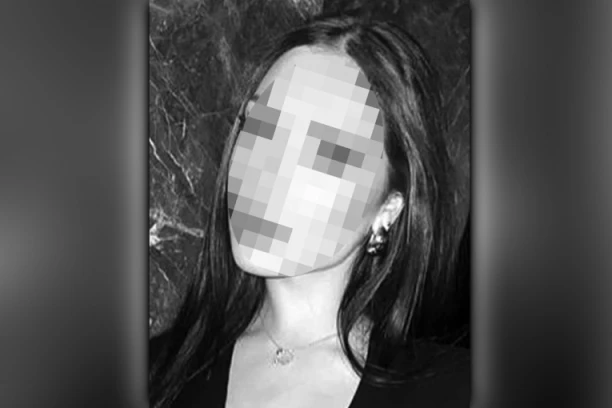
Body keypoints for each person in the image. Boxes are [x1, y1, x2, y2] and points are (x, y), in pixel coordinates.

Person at [150, 10, 470, 408]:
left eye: (328, 155)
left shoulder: (456, 390)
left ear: (388, 208)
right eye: (260, 127)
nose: (267, 171)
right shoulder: (155, 372)